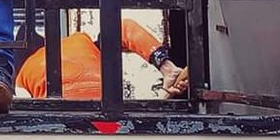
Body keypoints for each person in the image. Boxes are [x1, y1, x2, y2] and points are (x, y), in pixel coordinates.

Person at [14, 18, 190, 100]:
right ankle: (169, 70)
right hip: (105, 106)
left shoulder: (22, 72)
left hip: (56, 116)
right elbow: (124, 27)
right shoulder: (86, 45)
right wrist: (166, 69)